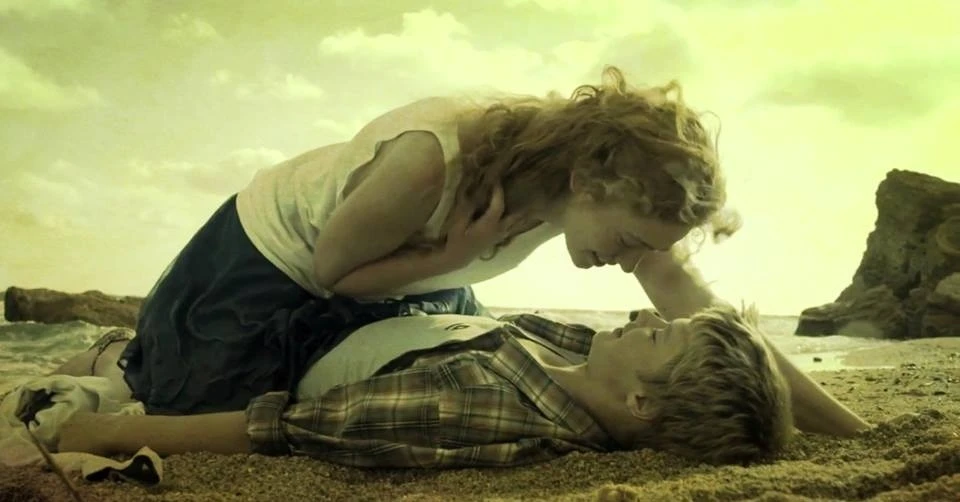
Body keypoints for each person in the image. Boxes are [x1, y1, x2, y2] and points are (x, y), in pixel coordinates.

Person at [119, 65, 739, 416]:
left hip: (411, 280)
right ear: (585, 183)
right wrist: (451, 257)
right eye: (629, 240)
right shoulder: (432, 163)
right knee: (192, 403)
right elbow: (332, 272)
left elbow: (710, 322)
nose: (633, 263)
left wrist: (788, 406)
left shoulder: (612, 193)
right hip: (272, 265)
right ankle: (112, 353)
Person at [51, 306, 872, 468]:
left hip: (297, 343)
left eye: (658, 333)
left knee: (141, 352)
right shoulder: (589, 362)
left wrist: (116, 433)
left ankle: (107, 360)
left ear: (641, 405)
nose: (641, 313)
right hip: (407, 315)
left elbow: (283, 428)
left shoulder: (475, 408)